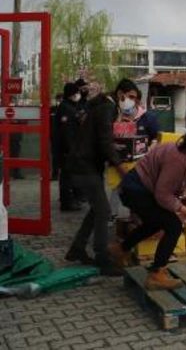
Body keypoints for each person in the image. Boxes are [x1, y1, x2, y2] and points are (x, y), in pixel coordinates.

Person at [115, 129, 186, 290]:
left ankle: (120, 249)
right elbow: (162, 194)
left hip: (142, 189)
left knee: (155, 222)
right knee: (173, 225)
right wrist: (184, 210)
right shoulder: (178, 159)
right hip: (136, 190)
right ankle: (156, 274)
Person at [64, 80, 126, 275]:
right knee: (104, 211)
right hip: (85, 167)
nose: (130, 102)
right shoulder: (107, 108)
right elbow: (105, 141)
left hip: (83, 165)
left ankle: (77, 248)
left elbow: (99, 139)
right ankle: (102, 258)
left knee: (96, 210)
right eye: (130, 97)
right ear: (121, 94)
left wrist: (112, 148)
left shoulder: (99, 107)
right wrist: (119, 165)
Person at [54, 83, 85, 211]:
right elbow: (67, 132)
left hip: (68, 149)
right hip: (67, 150)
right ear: (71, 94)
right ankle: (67, 202)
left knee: (69, 175)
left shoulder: (70, 106)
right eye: (76, 92)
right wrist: (71, 150)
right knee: (67, 176)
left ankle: (69, 200)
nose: (78, 95)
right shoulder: (66, 108)